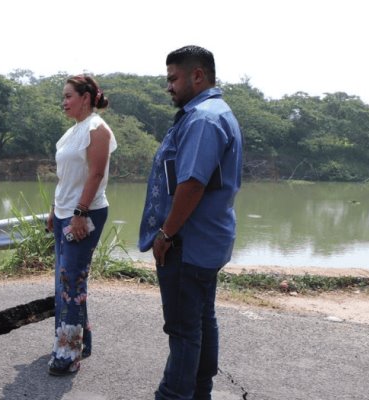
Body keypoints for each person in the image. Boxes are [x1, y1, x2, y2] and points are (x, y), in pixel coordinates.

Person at [138, 45, 243, 400]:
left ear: (197, 75)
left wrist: (166, 233)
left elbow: (193, 183)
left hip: (188, 242)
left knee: (184, 329)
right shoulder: (213, 112)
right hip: (206, 241)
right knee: (200, 321)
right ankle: (200, 392)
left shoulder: (203, 119)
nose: (169, 86)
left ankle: (173, 395)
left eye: (173, 78)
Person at [45, 74, 117, 376]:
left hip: (84, 214)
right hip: (65, 212)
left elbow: (96, 175)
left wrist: (79, 213)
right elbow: (66, 178)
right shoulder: (72, 131)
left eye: (68, 96)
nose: (64, 102)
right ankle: (81, 341)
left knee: (71, 282)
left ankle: (68, 352)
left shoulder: (97, 130)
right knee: (66, 281)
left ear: (86, 98)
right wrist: (54, 210)